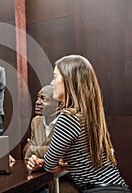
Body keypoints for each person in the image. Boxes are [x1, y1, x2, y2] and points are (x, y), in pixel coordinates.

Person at [40, 55, 130, 192]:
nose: (51, 83)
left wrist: (61, 164)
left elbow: (49, 164)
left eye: (55, 77)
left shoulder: (68, 117)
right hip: (117, 188)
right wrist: (66, 164)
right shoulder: (89, 115)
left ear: (69, 81)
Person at [25, 85, 79, 193]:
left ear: (59, 105)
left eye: (43, 99)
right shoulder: (36, 121)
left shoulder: (66, 123)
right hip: (42, 178)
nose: (37, 102)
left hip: (66, 180)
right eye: (37, 98)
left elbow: (64, 158)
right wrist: (35, 158)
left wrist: (35, 150)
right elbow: (28, 154)